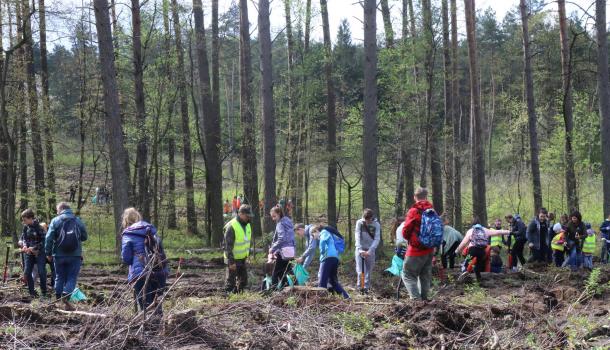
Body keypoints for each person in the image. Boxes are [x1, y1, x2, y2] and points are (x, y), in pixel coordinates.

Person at [121, 208, 168, 316]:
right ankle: (160, 329)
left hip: (140, 273)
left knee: (146, 307)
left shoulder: (128, 234)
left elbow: (126, 258)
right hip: (160, 271)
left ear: (126, 220)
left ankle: (148, 331)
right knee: (157, 305)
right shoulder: (151, 230)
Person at [45, 202, 87, 310]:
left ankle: (58, 299)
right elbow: (84, 236)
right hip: (75, 255)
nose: (57, 212)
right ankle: (66, 295)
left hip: (58, 255)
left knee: (59, 276)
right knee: (72, 277)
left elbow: (49, 238)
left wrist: (48, 253)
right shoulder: (77, 220)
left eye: (57, 210)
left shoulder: (55, 220)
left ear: (61, 209)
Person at [401, 187, 435, 300]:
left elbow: (405, 231)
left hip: (415, 250)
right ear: (426, 196)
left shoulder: (414, 211)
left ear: (415, 197)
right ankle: (424, 300)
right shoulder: (432, 210)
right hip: (429, 249)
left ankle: (416, 301)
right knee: (425, 276)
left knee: (407, 275)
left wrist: (410, 239)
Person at [223, 205, 253, 293]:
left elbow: (246, 242)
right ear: (240, 214)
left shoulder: (247, 225)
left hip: (242, 258)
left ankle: (238, 297)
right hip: (232, 258)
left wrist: (248, 255)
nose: (249, 218)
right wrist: (231, 262)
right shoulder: (232, 226)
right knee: (231, 282)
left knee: (243, 281)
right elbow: (227, 246)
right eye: (247, 216)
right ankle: (228, 299)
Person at [314, 225, 349, 299]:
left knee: (322, 281)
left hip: (327, 258)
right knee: (333, 281)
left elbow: (323, 241)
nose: (314, 237)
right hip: (335, 258)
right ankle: (346, 297)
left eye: (313, 235)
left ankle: (321, 299)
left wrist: (322, 251)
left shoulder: (323, 232)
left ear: (316, 231)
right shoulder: (329, 234)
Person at [19, 209, 48, 298]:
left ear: (31, 218)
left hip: (39, 253)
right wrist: (24, 245)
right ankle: (32, 293)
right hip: (28, 253)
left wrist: (34, 247)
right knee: (27, 272)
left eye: (25, 220)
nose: (24, 222)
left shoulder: (39, 227)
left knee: (41, 272)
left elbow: (44, 241)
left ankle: (44, 293)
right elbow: (24, 238)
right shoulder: (25, 227)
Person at [268, 206, 296, 290]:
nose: (273, 219)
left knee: (276, 272)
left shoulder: (280, 224)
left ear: (279, 214)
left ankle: (273, 290)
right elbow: (290, 237)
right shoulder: (289, 221)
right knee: (288, 270)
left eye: (274, 216)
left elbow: (281, 238)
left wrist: (273, 248)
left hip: (283, 251)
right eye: (272, 216)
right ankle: (292, 287)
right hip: (291, 250)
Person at [354, 209, 381, 293]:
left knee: (369, 270)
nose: (367, 222)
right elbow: (357, 235)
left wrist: (370, 250)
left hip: (370, 250)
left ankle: (366, 287)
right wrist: (359, 249)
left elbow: (377, 238)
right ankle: (361, 288)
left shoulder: (376, 224)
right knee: (361, 271)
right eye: (365, 220)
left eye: (368, 220)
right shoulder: (359, 222)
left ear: (371, 218)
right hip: (360, 250)